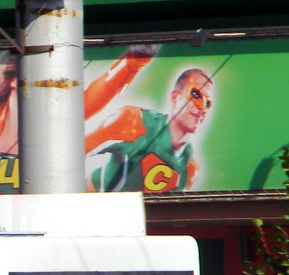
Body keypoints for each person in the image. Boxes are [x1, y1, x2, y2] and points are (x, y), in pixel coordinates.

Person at [0, 45, 159, 198]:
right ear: (12, 79)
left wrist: (131, 62)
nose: (43, 86)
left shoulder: (51, 115)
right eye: (35, 77)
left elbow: (90, 98)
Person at [86, 67, 214, 193]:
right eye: (196, 95)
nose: (202, 108)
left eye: (208, 103)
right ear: (175, 98)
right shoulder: (134, 122)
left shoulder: (190, 169)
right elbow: (77, 150)